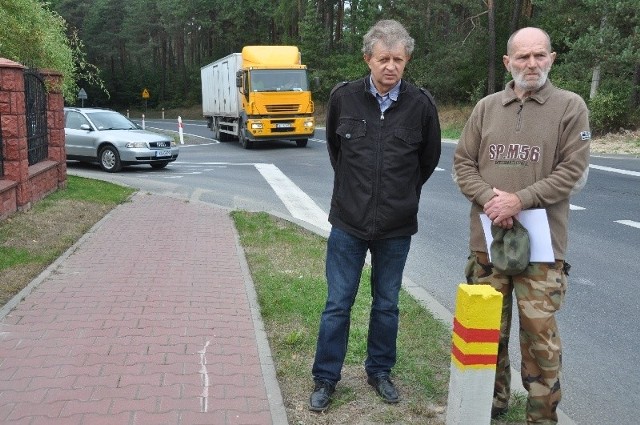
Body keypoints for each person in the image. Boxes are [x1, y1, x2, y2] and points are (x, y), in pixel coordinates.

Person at [452, 27, 591, 424]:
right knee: (486, 337)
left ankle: (541, 418)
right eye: (523, 56)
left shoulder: (569, 106)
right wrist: (491, 201)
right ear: (507, 62)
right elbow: (463, 163)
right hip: (488, 244)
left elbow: (572, 171)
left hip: (543, 251)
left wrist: (520, 199)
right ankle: (487, 407)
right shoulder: (486, 107)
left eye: (539, 55)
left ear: (551, 58)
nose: (531, 64)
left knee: (540, 343)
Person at [309, 19, 441, 412]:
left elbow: (427, 161)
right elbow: (337, 151)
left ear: (407, 60)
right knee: (338, 303)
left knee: (386, 304)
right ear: (368, 58)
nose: (391, 66)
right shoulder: (344, 98)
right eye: (383, 58)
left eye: (398, 59)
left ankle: (380, 371)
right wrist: (357, 193)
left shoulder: (421, 105)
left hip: (396, 227)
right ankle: (325, 378)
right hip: (348, 223)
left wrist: (398, 196)